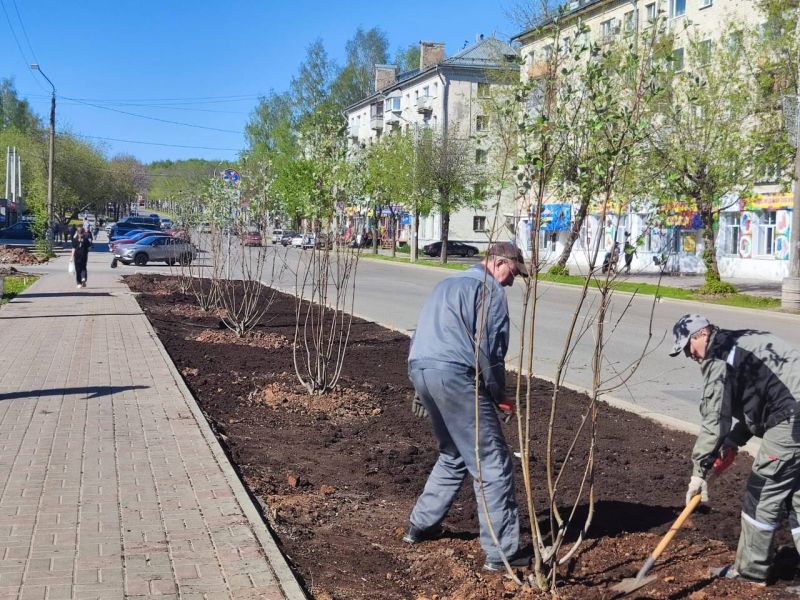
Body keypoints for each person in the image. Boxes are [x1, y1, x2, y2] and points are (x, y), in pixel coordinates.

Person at [403, 242, 530, 572]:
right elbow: (491, 349)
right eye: (513, 273)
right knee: (492, 462)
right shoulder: (490, 293)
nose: (511, 282)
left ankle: (420, 526)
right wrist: (498, 393)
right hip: (455, 374)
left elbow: (420, 335)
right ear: (499, 263)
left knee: (454, 454)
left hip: (422, 369)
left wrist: (422, 388)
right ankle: (503, 555)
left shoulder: (446, 284)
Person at [670, 314, 800, 586]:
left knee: (761, 492)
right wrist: (733, 441)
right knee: (796, 495)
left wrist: (699, 473)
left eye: (687, 347)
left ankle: (750, 572)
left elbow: (715, 420)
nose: (688, 355)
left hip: (791, 419)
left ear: (702, 335)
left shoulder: (719, 358)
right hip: (791, 413)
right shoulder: (740, 341)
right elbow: (761, 400)